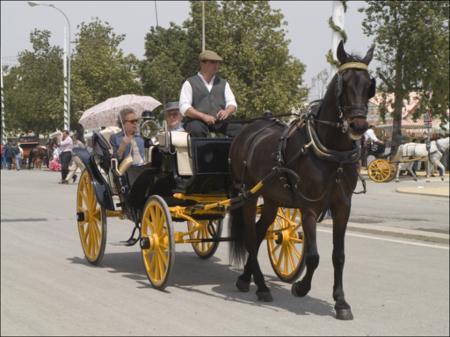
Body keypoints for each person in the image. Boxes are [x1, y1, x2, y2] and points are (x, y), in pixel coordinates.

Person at [179, 50, 240, 138]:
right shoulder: (189, 83)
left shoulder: (223, 83)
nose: (216, 65)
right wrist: (203, 116)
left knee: (240, 130)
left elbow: (232, 103)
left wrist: (227, 111)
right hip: (197, 121)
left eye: (217, 63)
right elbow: (184, 108)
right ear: (202, 64)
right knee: (197, 129)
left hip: (219, 121)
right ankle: (203, 152)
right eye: (212, 62)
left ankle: (230, 151)